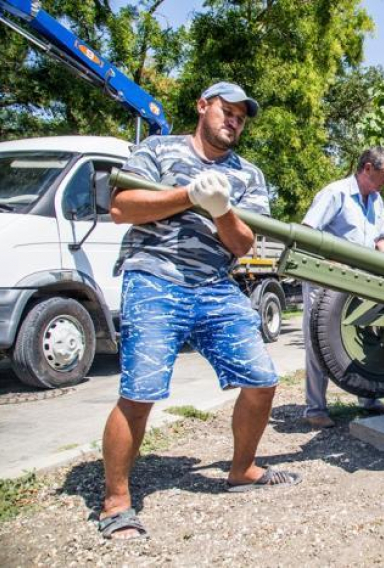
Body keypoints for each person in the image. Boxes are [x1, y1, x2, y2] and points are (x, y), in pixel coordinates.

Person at [98, 82, 301, 540]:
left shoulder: (248, 174)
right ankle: (116, 503)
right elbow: (121, 207)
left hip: (214, 284)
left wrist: (221, 209)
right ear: (202, 107)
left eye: (240, 117)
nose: (232, 120)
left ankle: (242, 469)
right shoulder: (157, 150)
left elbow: (245, 243)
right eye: (225, 111)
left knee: (263, 380)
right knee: (140, 391)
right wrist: (189, 195)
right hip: (154, 274)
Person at [301, 147, 384, 429]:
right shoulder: (336, 193)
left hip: (360, 285)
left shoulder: (376, 200)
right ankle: (315, 408)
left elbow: (381, 239)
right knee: (318, 343)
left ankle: (369, 399)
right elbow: (308, 233)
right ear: (367, 168)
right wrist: (335, 263)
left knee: (365, 341)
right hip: (327, 282)